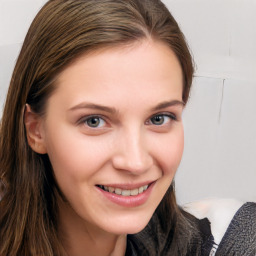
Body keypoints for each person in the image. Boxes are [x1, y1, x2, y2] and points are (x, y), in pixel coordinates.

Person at [0, 0, 255, 255]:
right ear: (36, 130)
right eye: (94, 121)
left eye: (159, 118)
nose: (136, 163)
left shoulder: (230, 240)